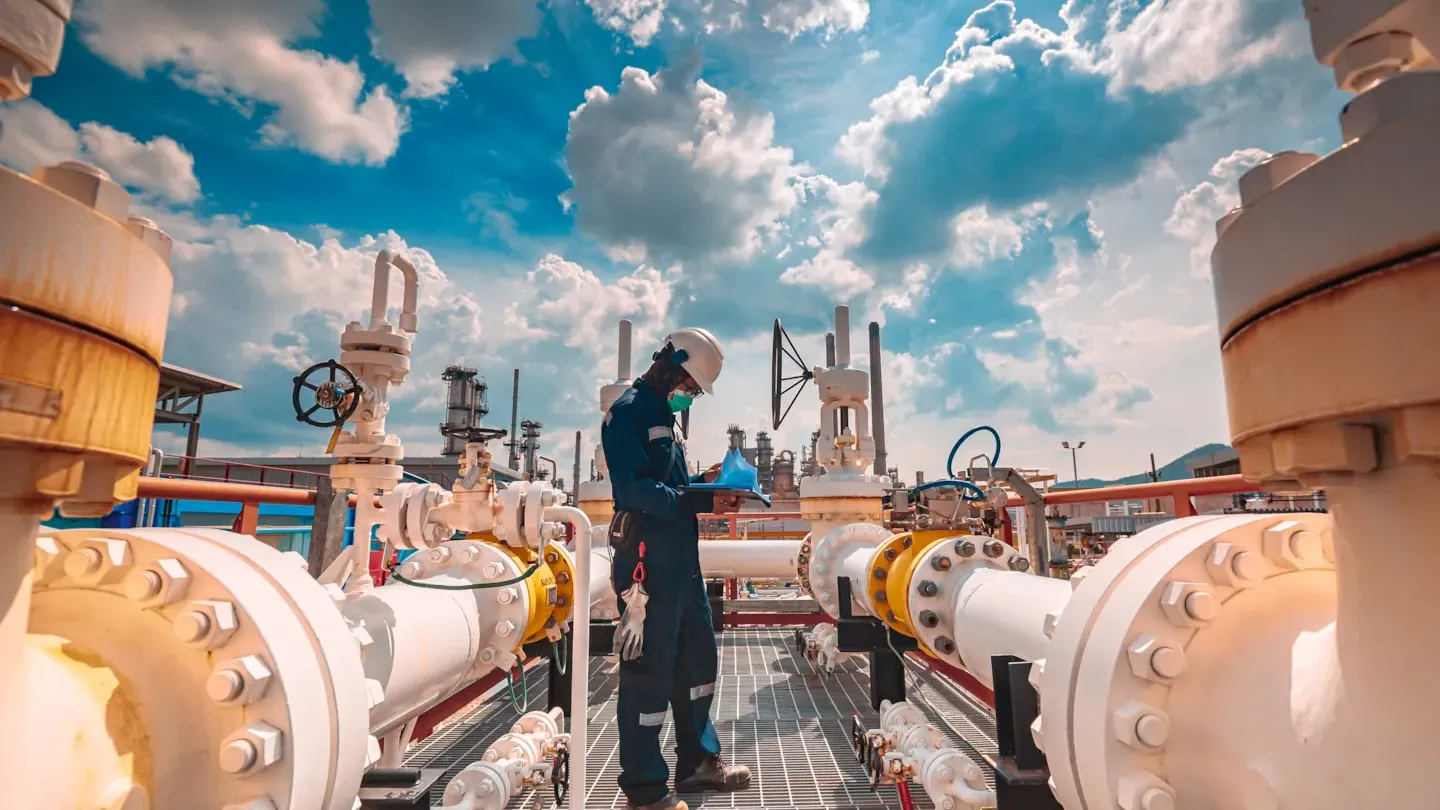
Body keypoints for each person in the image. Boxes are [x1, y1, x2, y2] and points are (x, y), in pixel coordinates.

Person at [602, 327, 753, 810]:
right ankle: (645, 791)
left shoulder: (666, 416)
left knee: (697, 662)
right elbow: (636, 491)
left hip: (682, 566)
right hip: (646, 565)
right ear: (671, 364)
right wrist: (698, 503)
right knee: (648, 674)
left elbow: (672, 483)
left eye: (693, 392)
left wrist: (708, 484)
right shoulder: (627, 414)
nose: (689, 396)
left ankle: (697, 765)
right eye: (688, 386)